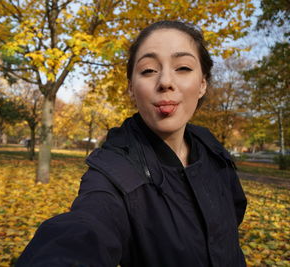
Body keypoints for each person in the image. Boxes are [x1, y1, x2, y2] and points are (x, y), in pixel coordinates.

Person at [16, 20, 247, 267]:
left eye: (182, 67)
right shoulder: (114, 172)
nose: (165, 81)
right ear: (131, 89)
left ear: (202, 84)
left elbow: (233, 218)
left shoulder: (212, 151)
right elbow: (87, 227)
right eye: (148, 70)